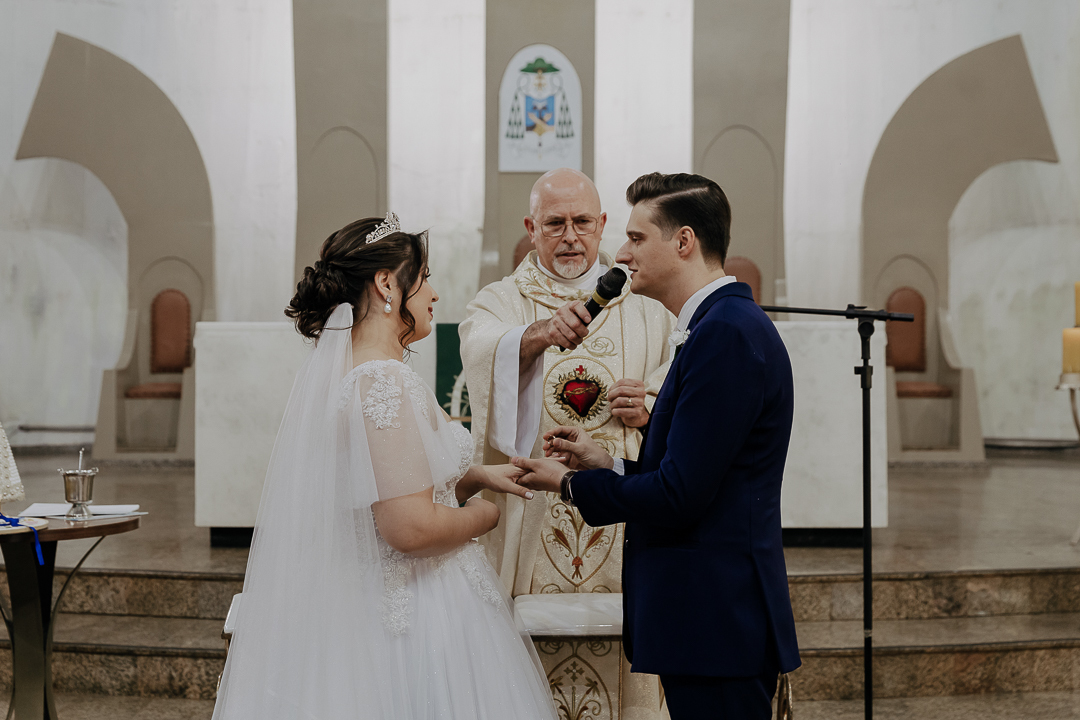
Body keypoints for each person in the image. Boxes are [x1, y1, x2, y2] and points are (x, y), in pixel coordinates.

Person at [213, 214, 557, 720]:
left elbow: (383, 481)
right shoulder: (382, 382)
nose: (434, 294)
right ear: (386, 284)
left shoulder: (355, 371)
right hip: (416, 614)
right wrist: (486, 515)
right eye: (425, 278)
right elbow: (409, 528)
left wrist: (475, 477)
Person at [513, 173, 801, 720]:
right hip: (709, 618)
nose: (622, 254)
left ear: (684, 241)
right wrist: (607, 463)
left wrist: (569, 484)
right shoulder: (716, 326)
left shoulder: (725, 334)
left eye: (637, 238)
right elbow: (693, 473)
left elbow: (679, 497)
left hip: (717, 617)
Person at [459, 168, 674, 715]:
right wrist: (536, 335)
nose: (571, 237)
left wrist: (650, 404)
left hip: (622, 513)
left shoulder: (646, 304)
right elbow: (481, 349)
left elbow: (679, 369)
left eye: (583, 222)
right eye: (555, 224)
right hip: (530, 512)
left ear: (602, 224)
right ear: (531, 228)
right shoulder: (501, 301)